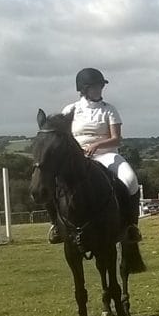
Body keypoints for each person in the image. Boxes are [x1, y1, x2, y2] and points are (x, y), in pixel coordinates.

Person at [47, 67, 142, 244]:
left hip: (106, 155)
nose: (99, 90)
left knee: (130, 180)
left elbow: (116, 139)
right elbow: (62, 136)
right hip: (76, 158)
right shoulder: (70, 110)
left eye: (100, 86)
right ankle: (56, 225)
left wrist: (96, 145)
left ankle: (131, 225)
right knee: (50, 182)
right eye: (94, 87)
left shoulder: (109, 110)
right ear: (84, 89)